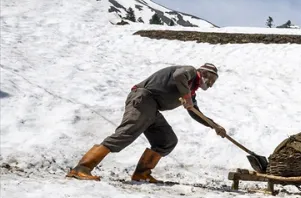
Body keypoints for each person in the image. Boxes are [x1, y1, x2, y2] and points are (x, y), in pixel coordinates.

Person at [66, 63, 227, 183]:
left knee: (166, 140)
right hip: (143, 98)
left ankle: (141, 174)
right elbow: (179, 76)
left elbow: (195, 112)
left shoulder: (191, 91)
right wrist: (186, 98)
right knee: (126, 133)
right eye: (211, 79)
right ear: (204, 74)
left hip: (153, 107)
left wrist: (214, 126)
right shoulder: (190, 72)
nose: (211, 84)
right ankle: (81, 168)